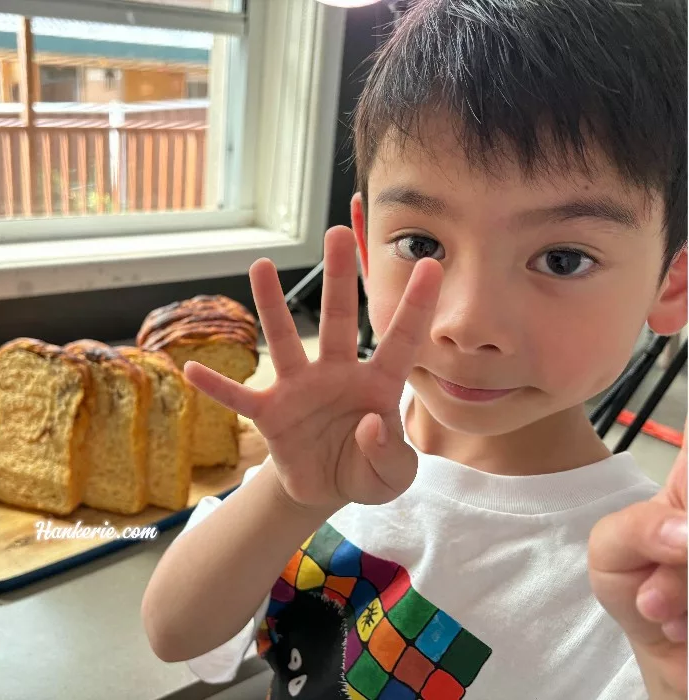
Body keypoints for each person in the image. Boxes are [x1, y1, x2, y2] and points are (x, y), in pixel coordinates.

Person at [141, 1, 688, 697]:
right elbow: (174, 633)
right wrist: (289, 494)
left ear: (671, 281)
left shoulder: (639, 581)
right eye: (421, 244)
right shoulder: (336, 434)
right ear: (367, 244)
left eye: (562, 259)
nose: (466, 323)